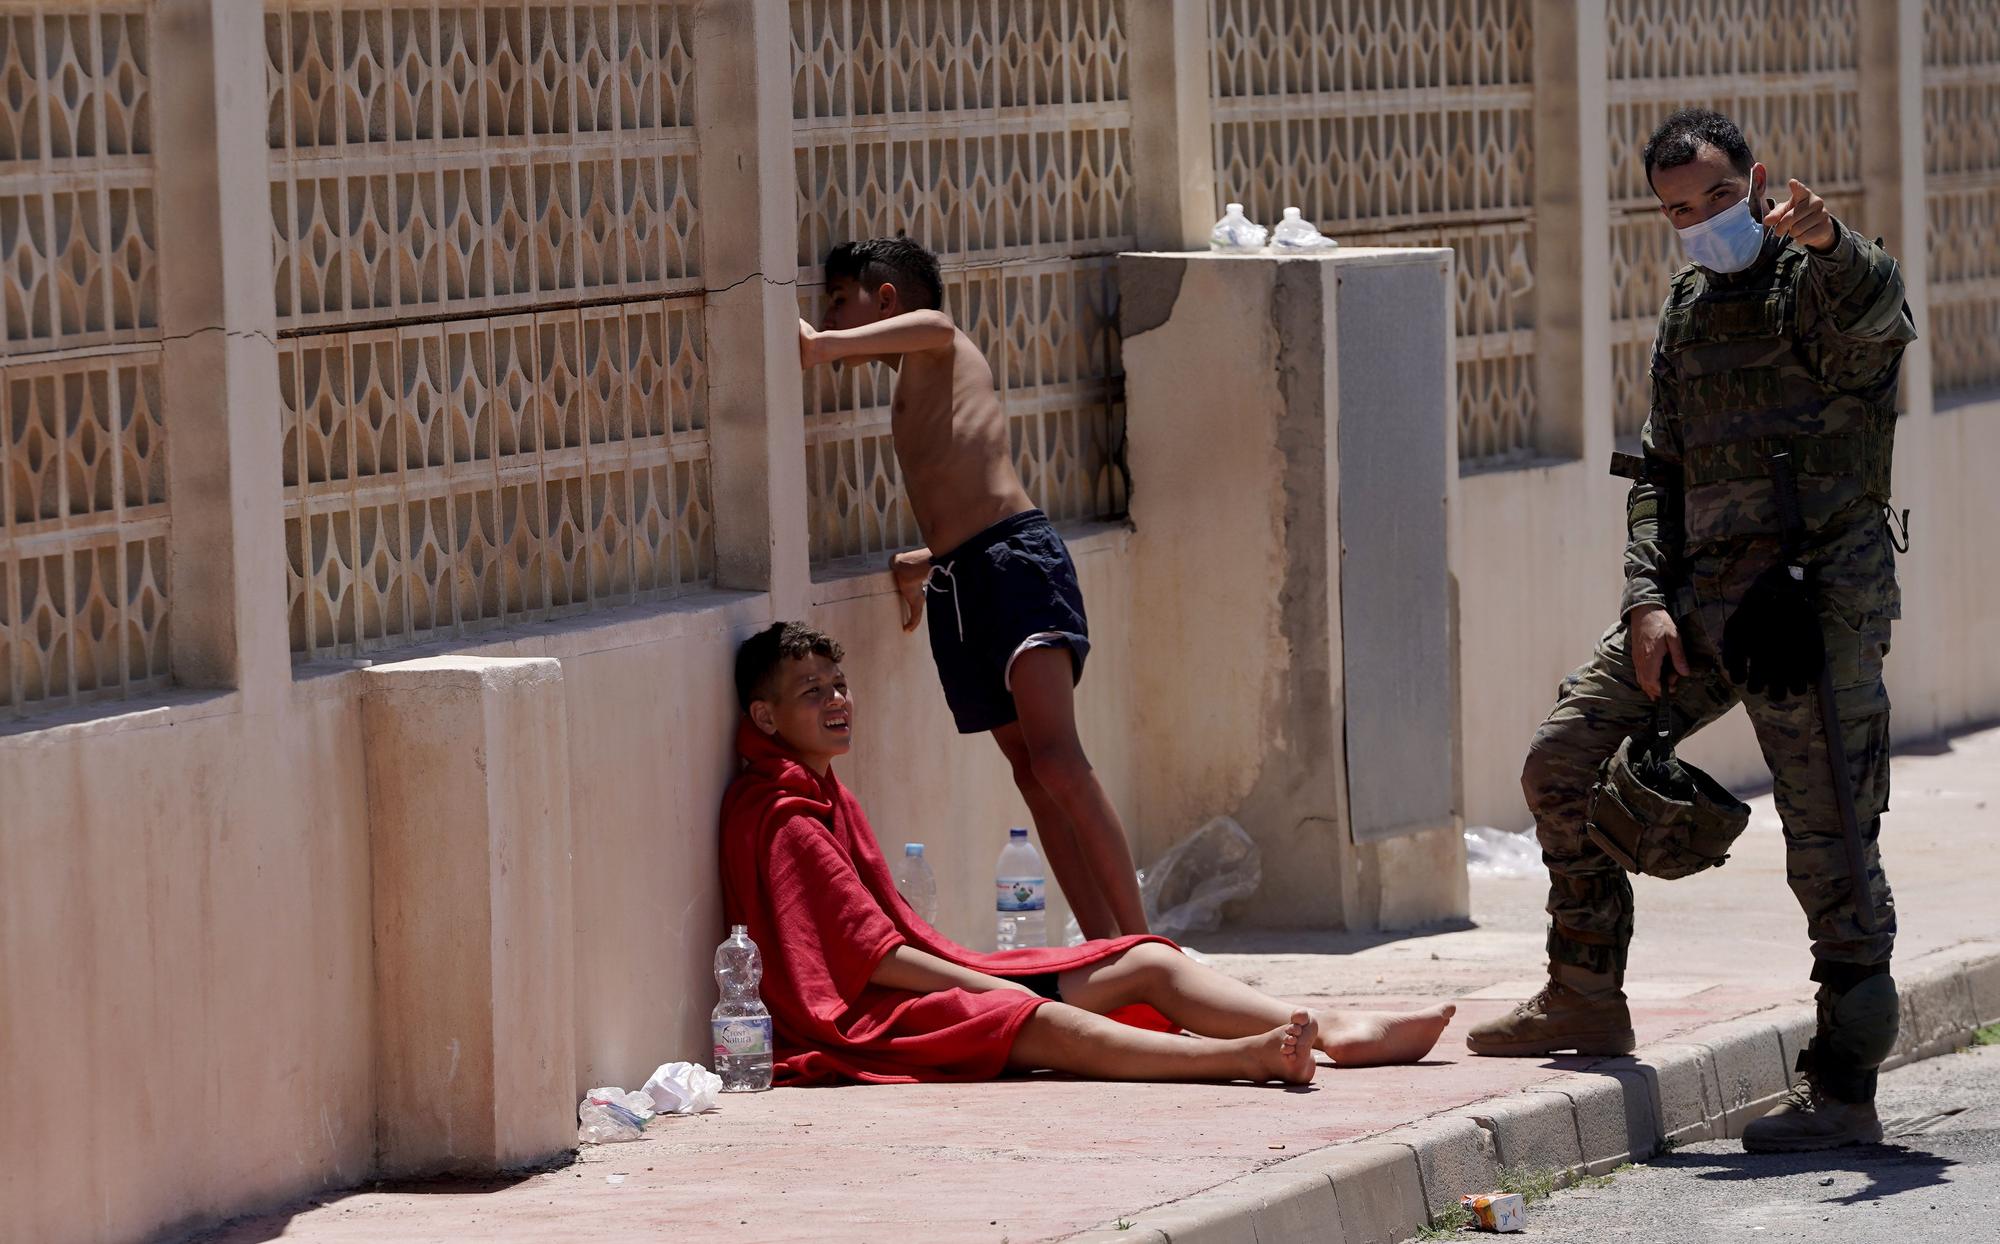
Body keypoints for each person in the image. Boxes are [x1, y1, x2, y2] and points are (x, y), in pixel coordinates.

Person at [1465, 109, 1914, 1154]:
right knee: (1559, 758)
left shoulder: (1818, 280)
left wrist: (1827, 238)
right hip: (1700, 607)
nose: (1701, 221)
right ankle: (1582, 988)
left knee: (1832, 839)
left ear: (1753, 180)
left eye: (1716, 198)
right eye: (1677, 209)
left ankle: (1843, 1085)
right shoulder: (1684, 305)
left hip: (1811, 613)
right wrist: (1644, 599)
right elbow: (1656, 470)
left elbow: (1877, 306)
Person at [719, 621, 1457, 1085]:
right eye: (812, 691)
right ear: (765, 716)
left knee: (1147, 958)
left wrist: (986, 979)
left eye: (839, 684)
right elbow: (870, 962)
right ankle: (1249, 1057)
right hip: (863, 1022)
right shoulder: (783, 814)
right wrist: (988, 991)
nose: (837, 699)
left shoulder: (820, 790)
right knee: (1036, 1021)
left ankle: (1332, 1027)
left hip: (916, 985)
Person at [797, 237, 1148, 942]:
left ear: (886, 298)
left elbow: (935, 326)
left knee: (1059, 760)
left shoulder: (941, 342)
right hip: (963, 580)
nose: (830, 317)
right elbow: (959, 490)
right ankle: (1107, 945)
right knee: (1029, 770)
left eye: (838, 300)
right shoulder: (911, 386)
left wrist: (819, 348)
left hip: (1018, 566)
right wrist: (922, 561)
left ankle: (1146, 943)